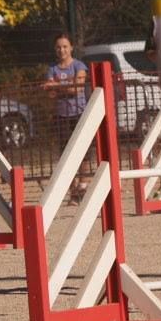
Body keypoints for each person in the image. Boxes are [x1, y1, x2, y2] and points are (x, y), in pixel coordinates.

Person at [42, 33, 91, 204]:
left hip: (79, 113)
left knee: (83, 152)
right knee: (66, 155)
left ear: (71, 48)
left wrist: (57, 86)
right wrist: (63, 86)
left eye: (65, 46)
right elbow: (50, 92)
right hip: (61, 115)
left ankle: (83, 186)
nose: (62, 50)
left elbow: (76, 89)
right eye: (58, 47)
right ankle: (73, 191)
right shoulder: (52, 69)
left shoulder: (79, 65)